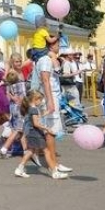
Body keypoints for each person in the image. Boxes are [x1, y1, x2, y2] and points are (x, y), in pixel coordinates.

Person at [29, 36, 73, 173]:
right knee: (50, 132)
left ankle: (54, 162)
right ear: (51, 46)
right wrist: (50, 101)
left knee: (50, 132)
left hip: (50, 95)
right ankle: (53, 165)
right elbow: (46, 80)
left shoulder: (46, 59)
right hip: (48, 96)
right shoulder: (45, 60)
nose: (59, 47)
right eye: (57, 45)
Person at [14, 90, 67, 179]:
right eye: (40, 99)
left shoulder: (30, 108)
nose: (41, 102)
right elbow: (36, 123)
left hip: (30, 133)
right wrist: (47, 129)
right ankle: (55, 172)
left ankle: (20, 168)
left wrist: (46, 113)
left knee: (31, 151)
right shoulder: (34, 109)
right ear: (35, 99)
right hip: (35, 133)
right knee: (46, 151)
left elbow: (36, 118)